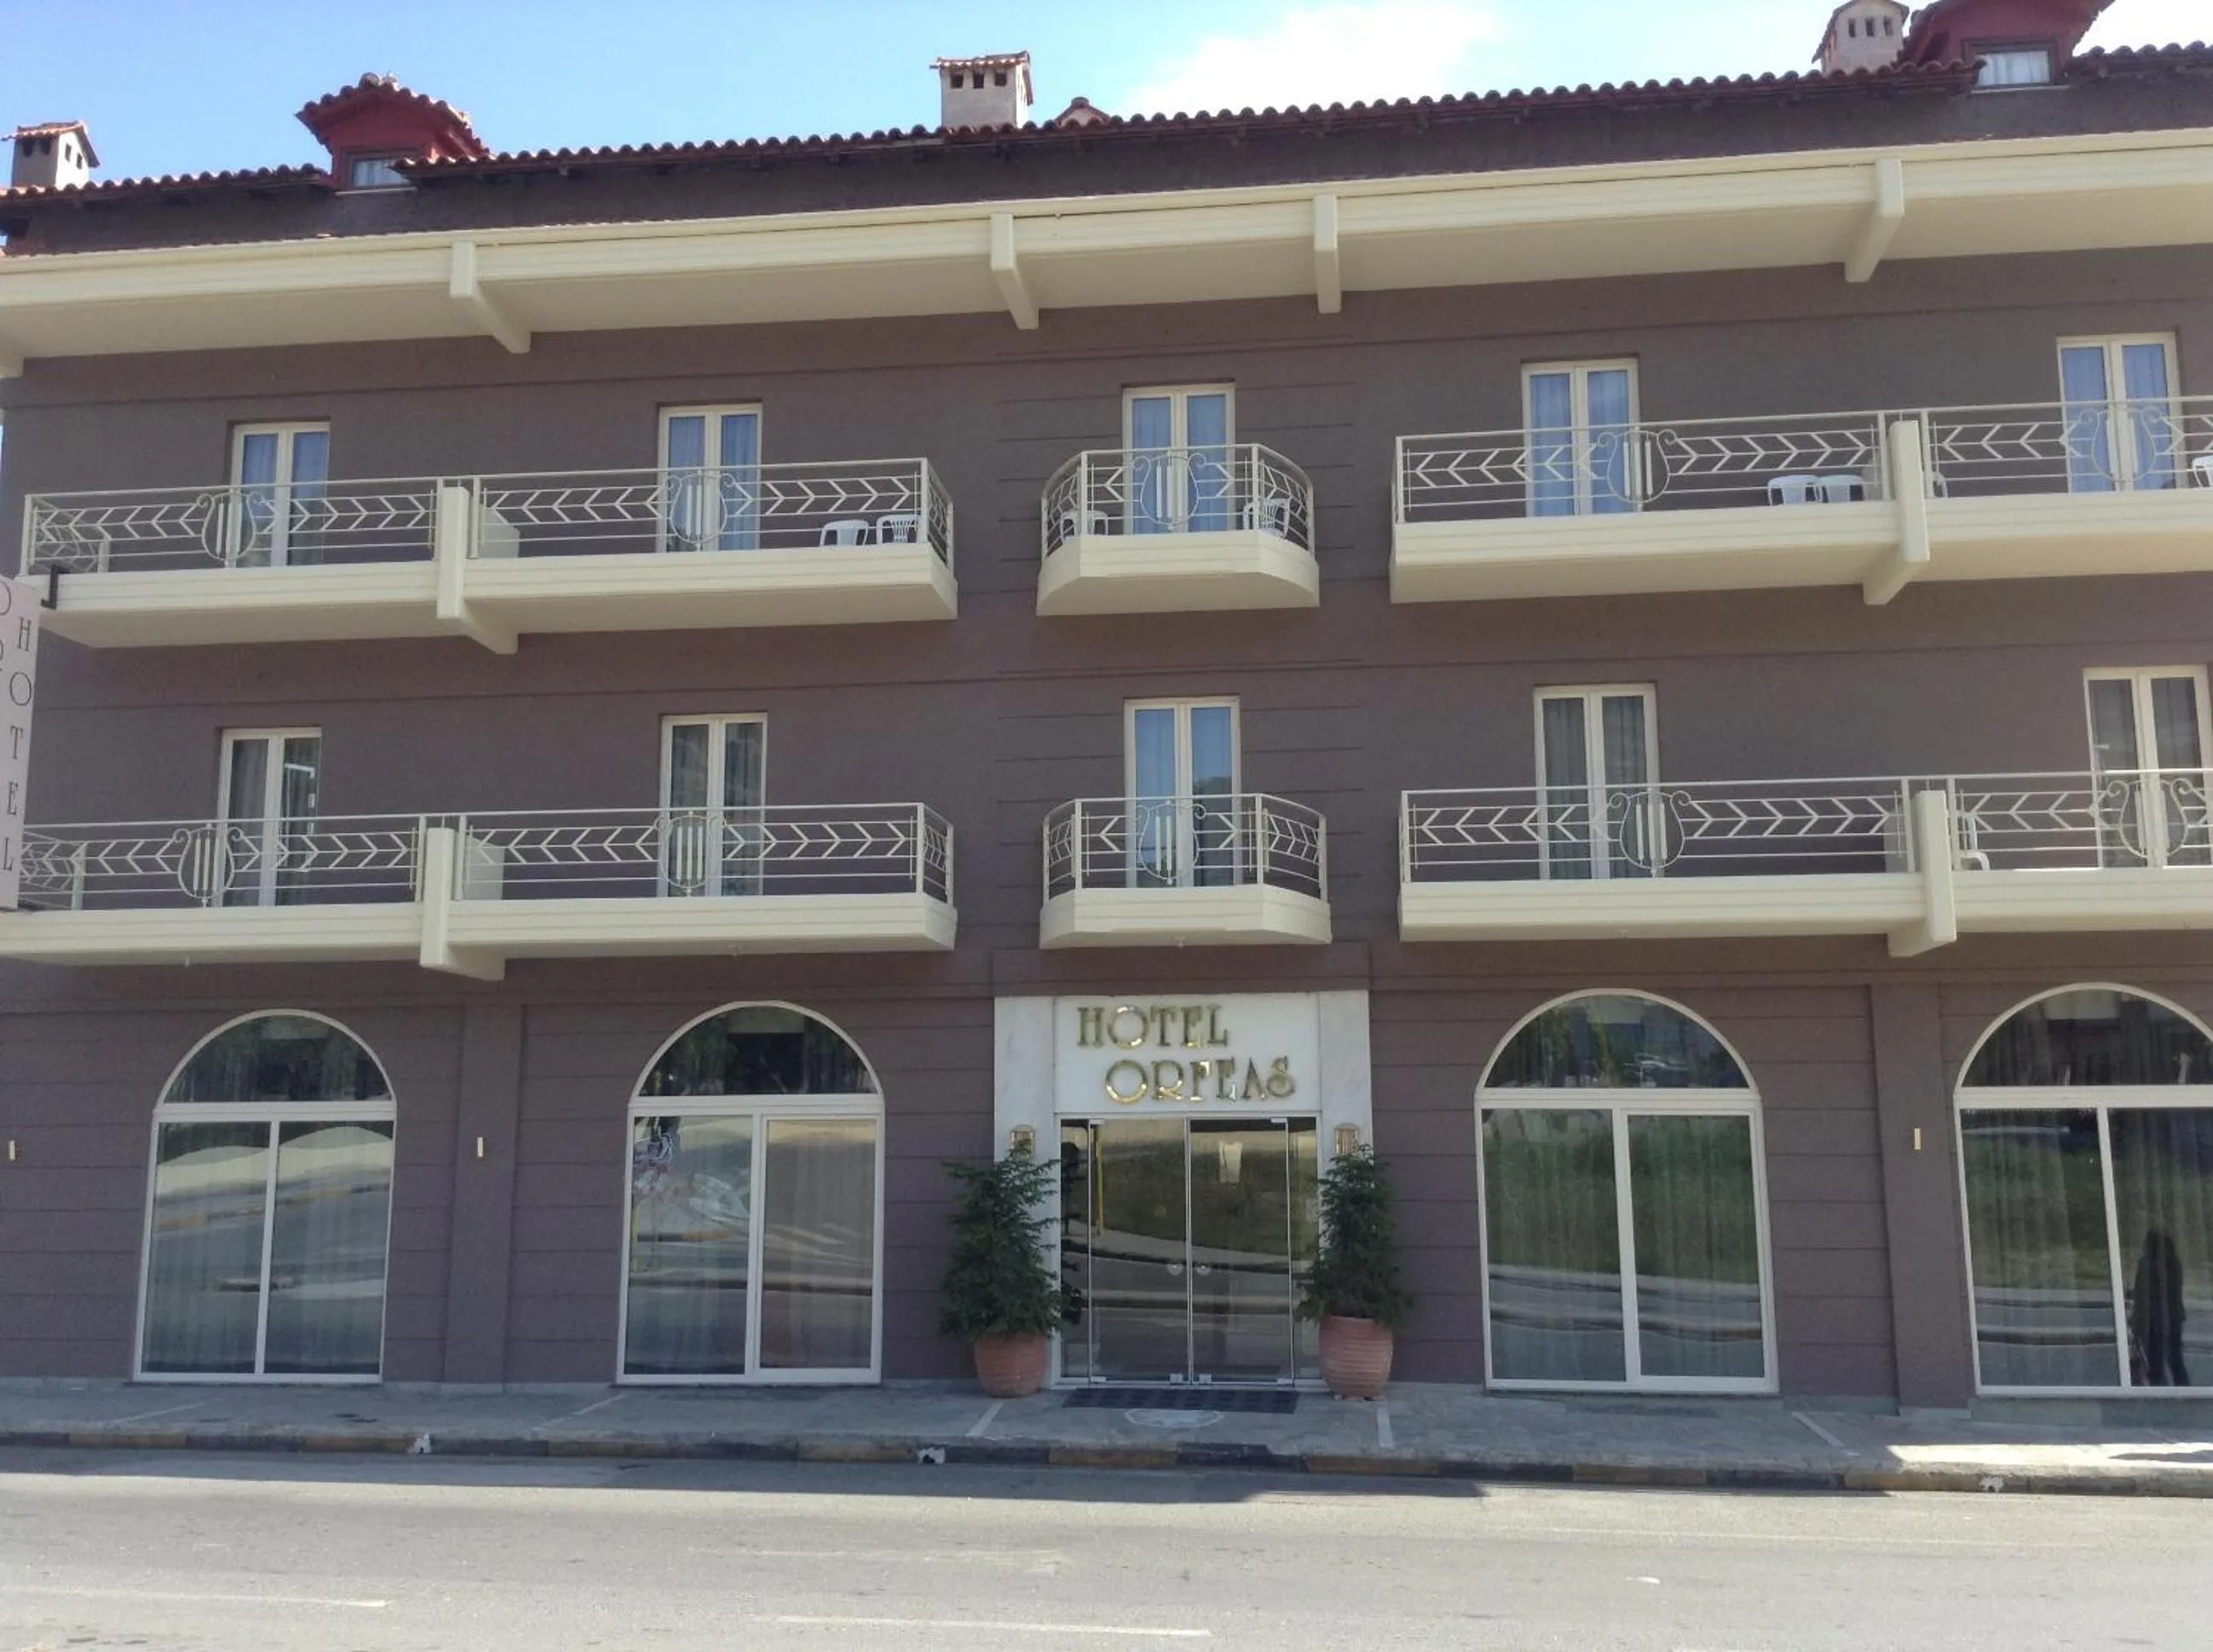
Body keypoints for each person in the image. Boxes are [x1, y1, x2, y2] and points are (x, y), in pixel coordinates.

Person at [2129, 1228, 2189, 1387]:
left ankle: (2159, 1395)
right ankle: (2185, 1394)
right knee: (2175, 1361)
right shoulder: (2174, 1263)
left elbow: (2143, 1295)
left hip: (2153, 1321)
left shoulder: (2147, 1264)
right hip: (2173, 1318)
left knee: (2154, 1363)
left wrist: (2136, 1322)